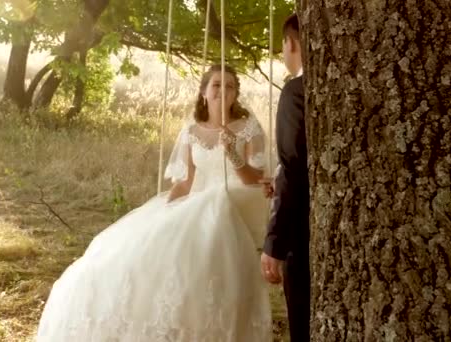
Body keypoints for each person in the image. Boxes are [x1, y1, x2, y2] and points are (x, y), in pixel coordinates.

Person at [36, 64, 273, 341]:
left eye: (230, 86)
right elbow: (185, 183)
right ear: (204, 91)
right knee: (149, 247)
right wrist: (164, 211)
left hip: (231, 201)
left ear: (236, 94)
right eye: (217, 85)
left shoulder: (248, 128)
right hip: (196, 204)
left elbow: (253, 179)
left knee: (214, 206)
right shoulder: (191, 131)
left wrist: (232, 153)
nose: (223, 90)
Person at [260, 13, 310, 342]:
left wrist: (274, 243)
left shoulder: (295, 91)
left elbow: (293, 165)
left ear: (290, 44)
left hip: (302, 230)